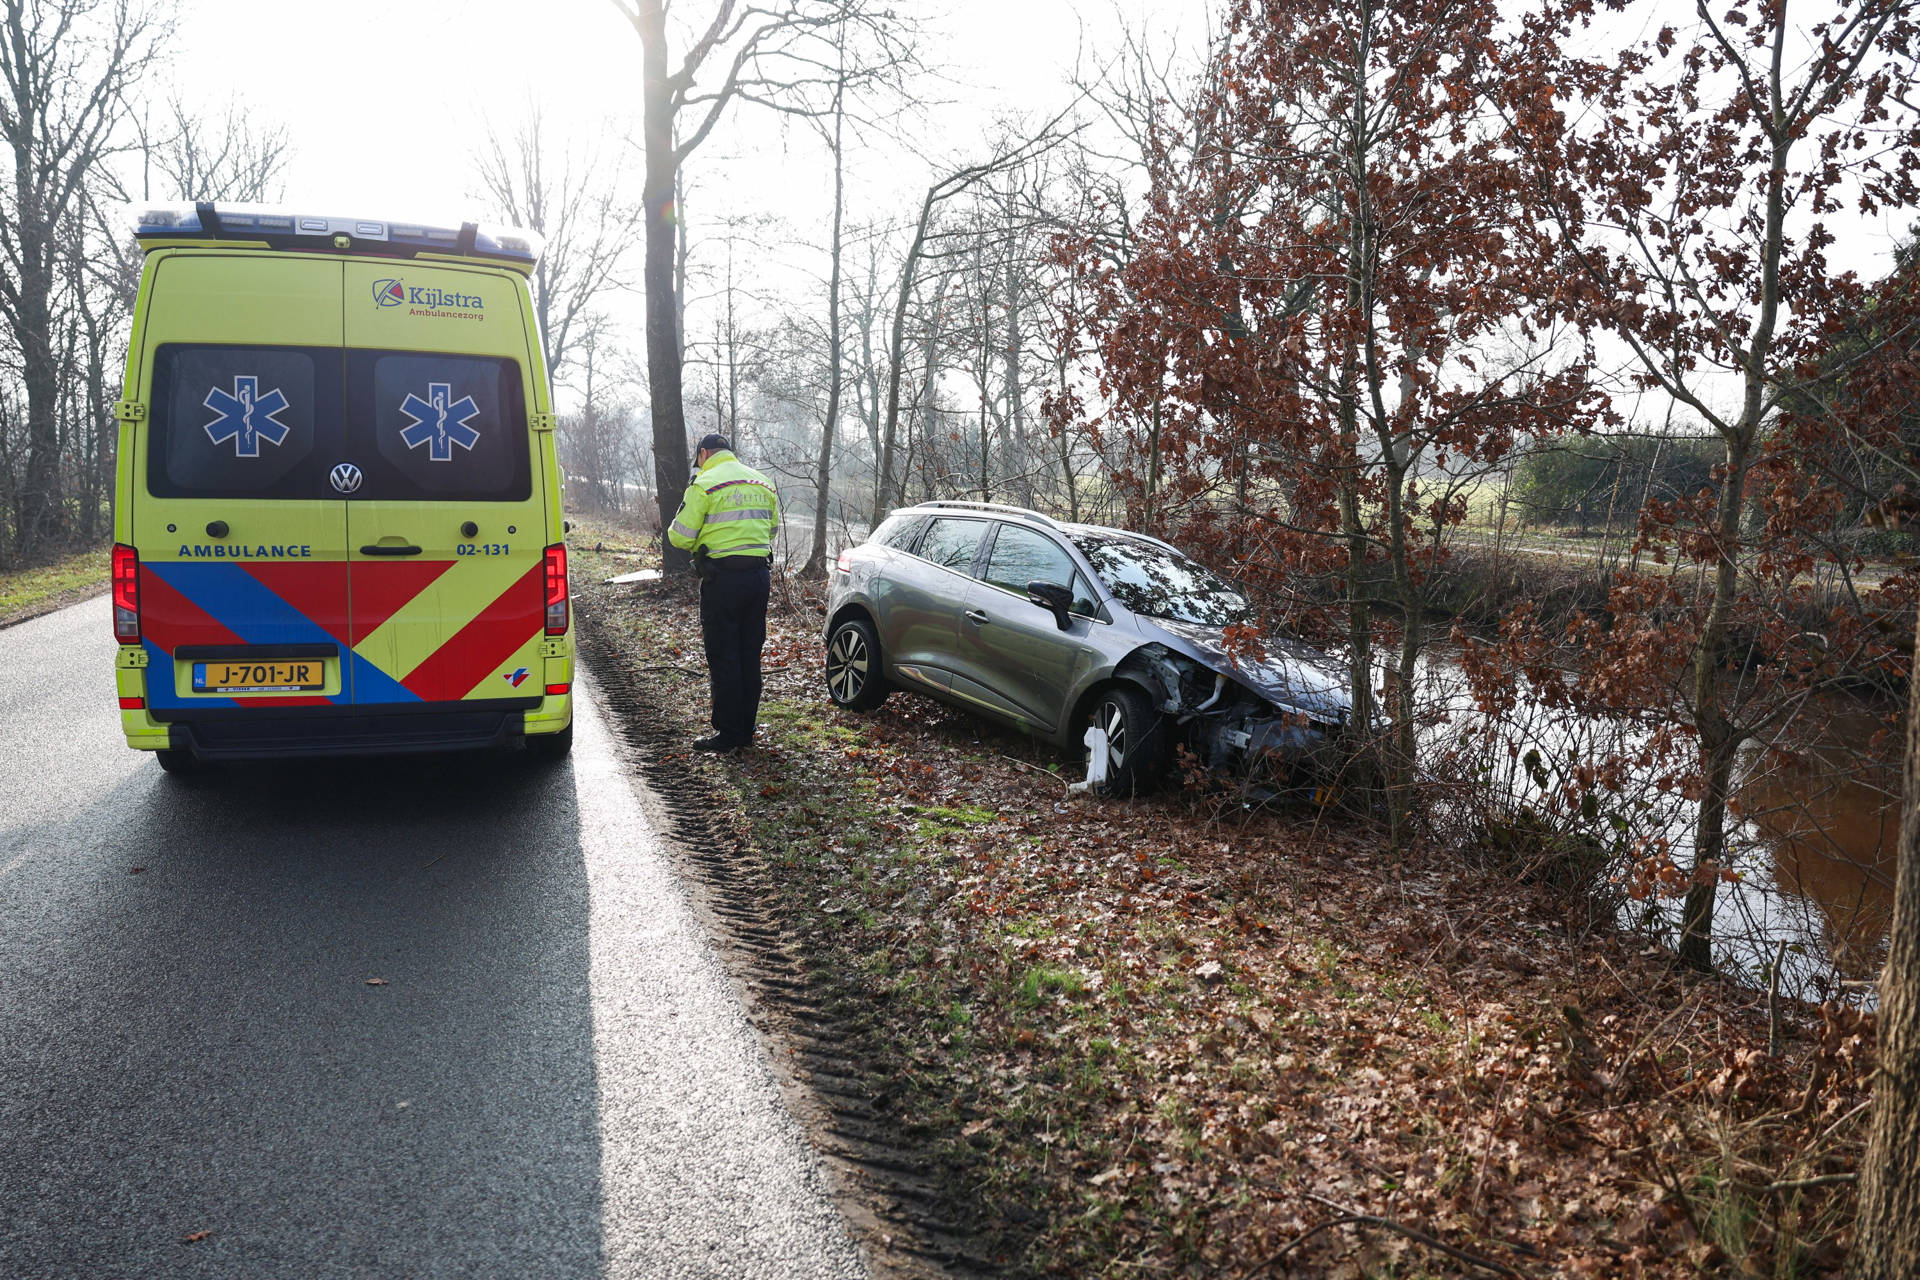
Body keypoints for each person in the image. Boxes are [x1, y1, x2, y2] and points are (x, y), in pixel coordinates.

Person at [667, 433, 781, 752]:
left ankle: (728, 733)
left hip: (723, 580)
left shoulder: (704, 484)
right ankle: (746, 728)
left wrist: (705, 536)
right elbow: (770, 530)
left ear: (704, 454)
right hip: (759, 578)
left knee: (724, 656)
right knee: (749, 655)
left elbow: (680, 535)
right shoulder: (763, 483)